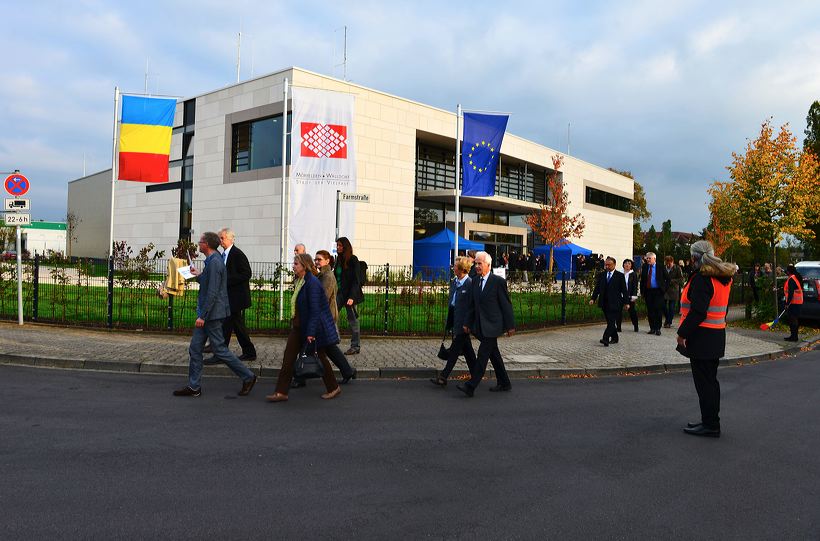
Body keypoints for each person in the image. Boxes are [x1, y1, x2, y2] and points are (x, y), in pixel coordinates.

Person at [173, 232, 257, 398]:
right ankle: (194, 387)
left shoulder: (215, 263)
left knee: (219, 350)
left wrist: (202, 316)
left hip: (211, 315)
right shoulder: (213, 260)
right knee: (195, 348)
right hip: (208, 313)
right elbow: (209, 282)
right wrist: (198, 275)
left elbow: (212, 292)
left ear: (207, 245)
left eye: (201, 241)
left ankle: (248, 376)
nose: (198, 243)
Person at [265, 254, 342, 402]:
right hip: (299, 327)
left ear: (304, 266)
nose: (293, 266)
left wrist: (311, 333)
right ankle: (281, 392)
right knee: (288, 357)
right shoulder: (300, 281)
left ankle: (333, 387)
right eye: (294, 263)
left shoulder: (312, 283)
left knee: (320, 357)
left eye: (296, 264)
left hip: (311, 328)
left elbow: (315, 310)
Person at [677, 240, 734, 438]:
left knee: (705, 384)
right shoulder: (722, 277)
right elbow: (723, 308)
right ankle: (709, 420)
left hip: (702, 338)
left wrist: (682, 333)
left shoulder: (702, 278)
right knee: (710, 383)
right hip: (716, 335)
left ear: (695, 257)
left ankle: (710, 425)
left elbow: (698, 311)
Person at [292, 250, 357, 387]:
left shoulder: (327, 276)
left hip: (324, 317)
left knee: (315, 347)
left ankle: (301, 377)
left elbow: (322, 298)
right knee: (328, 348)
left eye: (319, 260)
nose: (317, 262)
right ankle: (347, 371)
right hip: (321, 317)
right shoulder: (321, 275)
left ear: (327, 261)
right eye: (315, 260)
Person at [457, 251, 515, 397]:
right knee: (494, 355)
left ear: (488, 265)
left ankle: (471, 386)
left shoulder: (498, 282)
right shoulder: (475, 281)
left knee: (482, 355)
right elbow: (472, 305)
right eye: (475, 263)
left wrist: (510, 326)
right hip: (481, 326)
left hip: (493, 325)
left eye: (479, 263)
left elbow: (506, 305)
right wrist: (467, 323)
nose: (476, 266)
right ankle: (505, 382)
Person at [431, 256, 477, 386]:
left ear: (462, 269)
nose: (453, 268)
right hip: (454, 318)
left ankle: (444, 376)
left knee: (455, 349)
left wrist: (467, 323)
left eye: (455, 266)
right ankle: (477, 374)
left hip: (463, 322)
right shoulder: (455, 281)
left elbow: (471, 306)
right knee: (468, 351)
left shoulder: (469, 284)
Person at [216, 228, 256, 360]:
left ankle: (223, 353)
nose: (220, 241)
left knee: (231, 324)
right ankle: (246, 352)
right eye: (219, 238)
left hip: (236, 297)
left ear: (230, 238)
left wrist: (227, 280)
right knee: (232, 325)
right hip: (229, 297)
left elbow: (246, 273)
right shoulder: (224, 255)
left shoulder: (237, 254)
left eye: (222, 238)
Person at [589, 257, 628, 346]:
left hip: (616, 303)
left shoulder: (620, 276)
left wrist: (626, 303)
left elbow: (624, 290)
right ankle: (615, 337)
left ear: (614, 265)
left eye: (609, 265)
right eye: (606, 264)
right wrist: (593, 298)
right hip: (604, 302)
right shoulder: (602, 275)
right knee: (610, 321)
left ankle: (605, 338)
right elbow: (597, 288)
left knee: (611, 322)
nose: (607, 266)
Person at [335, 236, 364, 355]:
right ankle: (333, 341)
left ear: (345, 247)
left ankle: (355, 346)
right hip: (339, 293)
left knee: (353, 320)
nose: (338, 247)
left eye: (340, 245)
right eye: (337, 245)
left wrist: (352, 297)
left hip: (350, 295)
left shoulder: (353, 260)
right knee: (331, 316)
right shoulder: (339, 260)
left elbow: (356, 280)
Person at [639, 251, 669, 335]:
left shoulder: (660, 266)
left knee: (658, 310)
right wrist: (642, 292)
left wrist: (664, 289)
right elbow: (642, 280)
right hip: (648, 291)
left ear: (654, 259)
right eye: (647, 258)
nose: (648, 260)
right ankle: (652, 328)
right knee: (650, 310)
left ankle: (658, 328)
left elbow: (668, 279)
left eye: (649, 258)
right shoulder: (645, 267)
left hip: (658, 291)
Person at [616, 258, 639, 333]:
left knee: (632, 312)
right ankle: (618, 327)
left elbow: (635, 286)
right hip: (620, 296)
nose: (627, 265)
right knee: (618, 311)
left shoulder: (633, 274)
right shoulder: (619, 273)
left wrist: (634, 296)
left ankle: (636, 325)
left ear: (631, 265)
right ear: (623, 264)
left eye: (629, 263)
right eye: (626, 263)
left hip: (629, 296)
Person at [783, 264, 803, 342]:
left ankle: (794, 337)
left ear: (789, 271)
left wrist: (787, 304)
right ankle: (794, 336)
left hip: (794, 302)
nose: (786, 272)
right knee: (794, 319)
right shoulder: (796, 277)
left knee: (792, 319)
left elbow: (791, 292)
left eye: (787, 271)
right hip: (798, 302)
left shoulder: (792, 279)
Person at [663, 255, 683, 329]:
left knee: (671, 307)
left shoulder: (677, 268)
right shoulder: (664, 268)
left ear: (672, 262)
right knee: (663, 306)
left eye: (669, 264)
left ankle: (668, 322)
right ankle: (667, 319)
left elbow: (681, 279)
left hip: (673, 290)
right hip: (665, 289)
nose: (668, 265)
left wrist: (672, 281)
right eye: (666, 263)